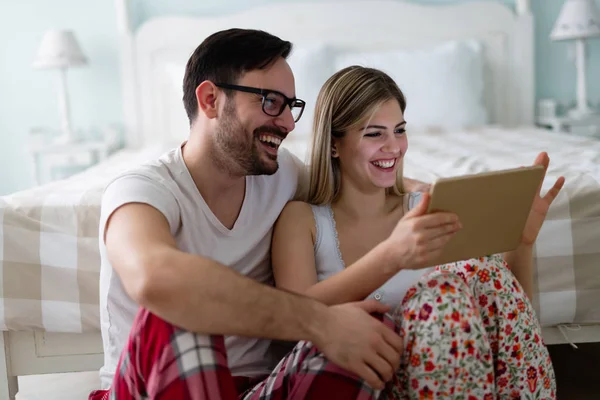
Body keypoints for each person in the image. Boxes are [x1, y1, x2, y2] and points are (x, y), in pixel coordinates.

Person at [90, 29, 430, 400]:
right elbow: (155, 279)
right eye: (271, 102)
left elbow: (348, 177)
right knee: (182, 305)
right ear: (210, 100)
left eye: (290, 105)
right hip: (154, 388)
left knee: (363, 328)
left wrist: (416, 189)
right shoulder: (141, 191)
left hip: (261, 389)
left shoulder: (282, 174)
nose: (288, 123)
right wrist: (320, 322)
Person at [271, 65, 564, 398]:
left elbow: (504, 320)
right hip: (360, 381)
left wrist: (522, 243)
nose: (394, 147)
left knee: (481, 272)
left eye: (400, 130)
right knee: (442, 295)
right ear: (334, 144)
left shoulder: (426, 207)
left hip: (456, 380)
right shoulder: (303, 220)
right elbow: (287, 320)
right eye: (374, 133)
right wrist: (391, 256)